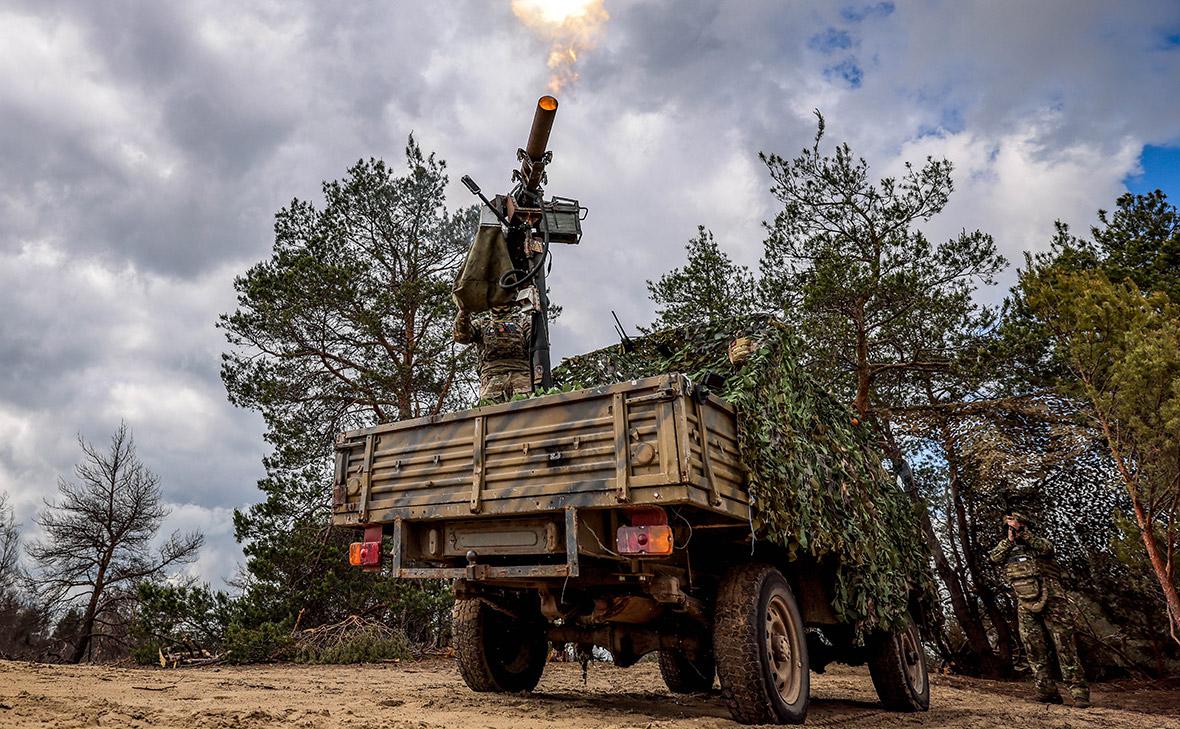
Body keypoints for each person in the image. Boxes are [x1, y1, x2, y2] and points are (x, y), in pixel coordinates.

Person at [989, 512, 1089, 708]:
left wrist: (1024, 534)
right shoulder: (1008, 548)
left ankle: (1078, 692)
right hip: (1025, 602)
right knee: (1033, 647)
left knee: (1064, 644)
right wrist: (1009, 540)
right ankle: (1046, 690)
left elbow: (1047, 548)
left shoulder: (1037, 542)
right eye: (1010, 527)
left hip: (1053, 599)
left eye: (1016, 526)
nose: (1013, 530)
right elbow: (994, 557)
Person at [454, 304, 533, 404]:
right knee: (491, 416)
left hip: (522, 376)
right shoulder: (482, 323)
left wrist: (534, 312)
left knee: (528, 412)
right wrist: (464, 309)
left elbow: (536, 342)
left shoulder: (522, 321)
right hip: (492, 377)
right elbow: (461, 336)